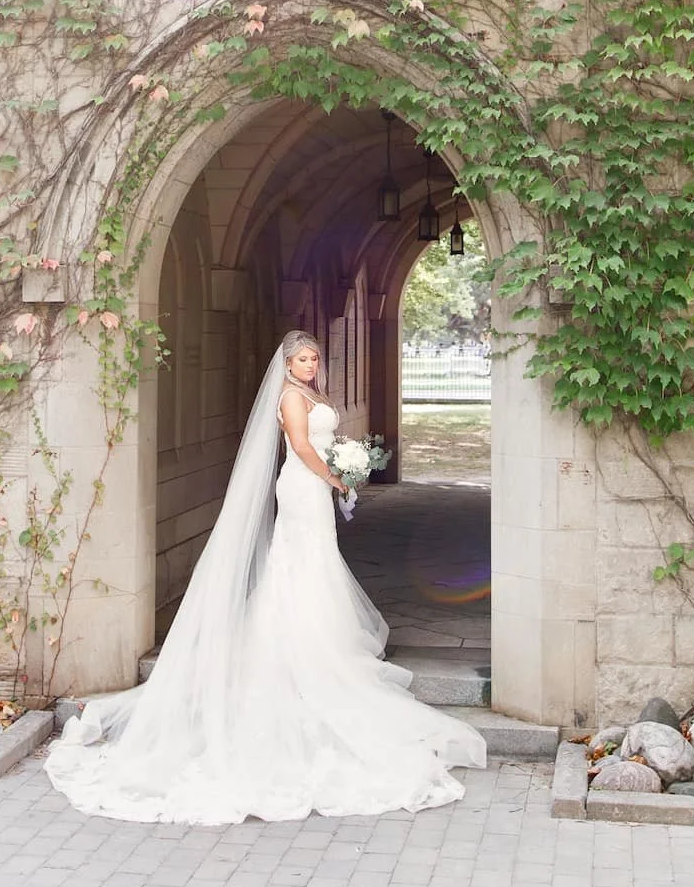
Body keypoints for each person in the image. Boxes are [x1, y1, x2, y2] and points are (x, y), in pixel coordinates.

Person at [45, 329, 486, 823]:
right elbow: (299, 445)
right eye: (302, 357)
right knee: (301, 560)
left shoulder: (313, 393)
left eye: (314, 356)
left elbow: (319, 440)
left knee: (314, 561)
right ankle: (299, 645)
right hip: (301, 487)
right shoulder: (291, 398)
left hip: (313, 487)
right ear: (287, 363)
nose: (311, 363)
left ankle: (316, 635)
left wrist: (345, 460)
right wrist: (335, 476)